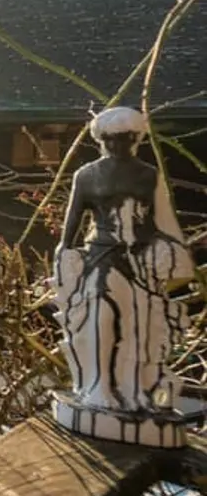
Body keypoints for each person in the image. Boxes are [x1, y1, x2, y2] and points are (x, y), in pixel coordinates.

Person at [53, 107, 193, 414]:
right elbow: (74, 217)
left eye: (127, 138)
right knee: (100, 318)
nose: (120, 145)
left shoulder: (149, 176)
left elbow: (162, 219)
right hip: (101, 256)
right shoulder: (87, 175)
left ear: (136, 138)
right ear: (102, 140)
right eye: (113, 138)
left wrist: (170, 253)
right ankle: (98, 385)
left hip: (140, 259)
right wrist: (64, 250)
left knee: (134, 325)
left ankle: (132, 389)